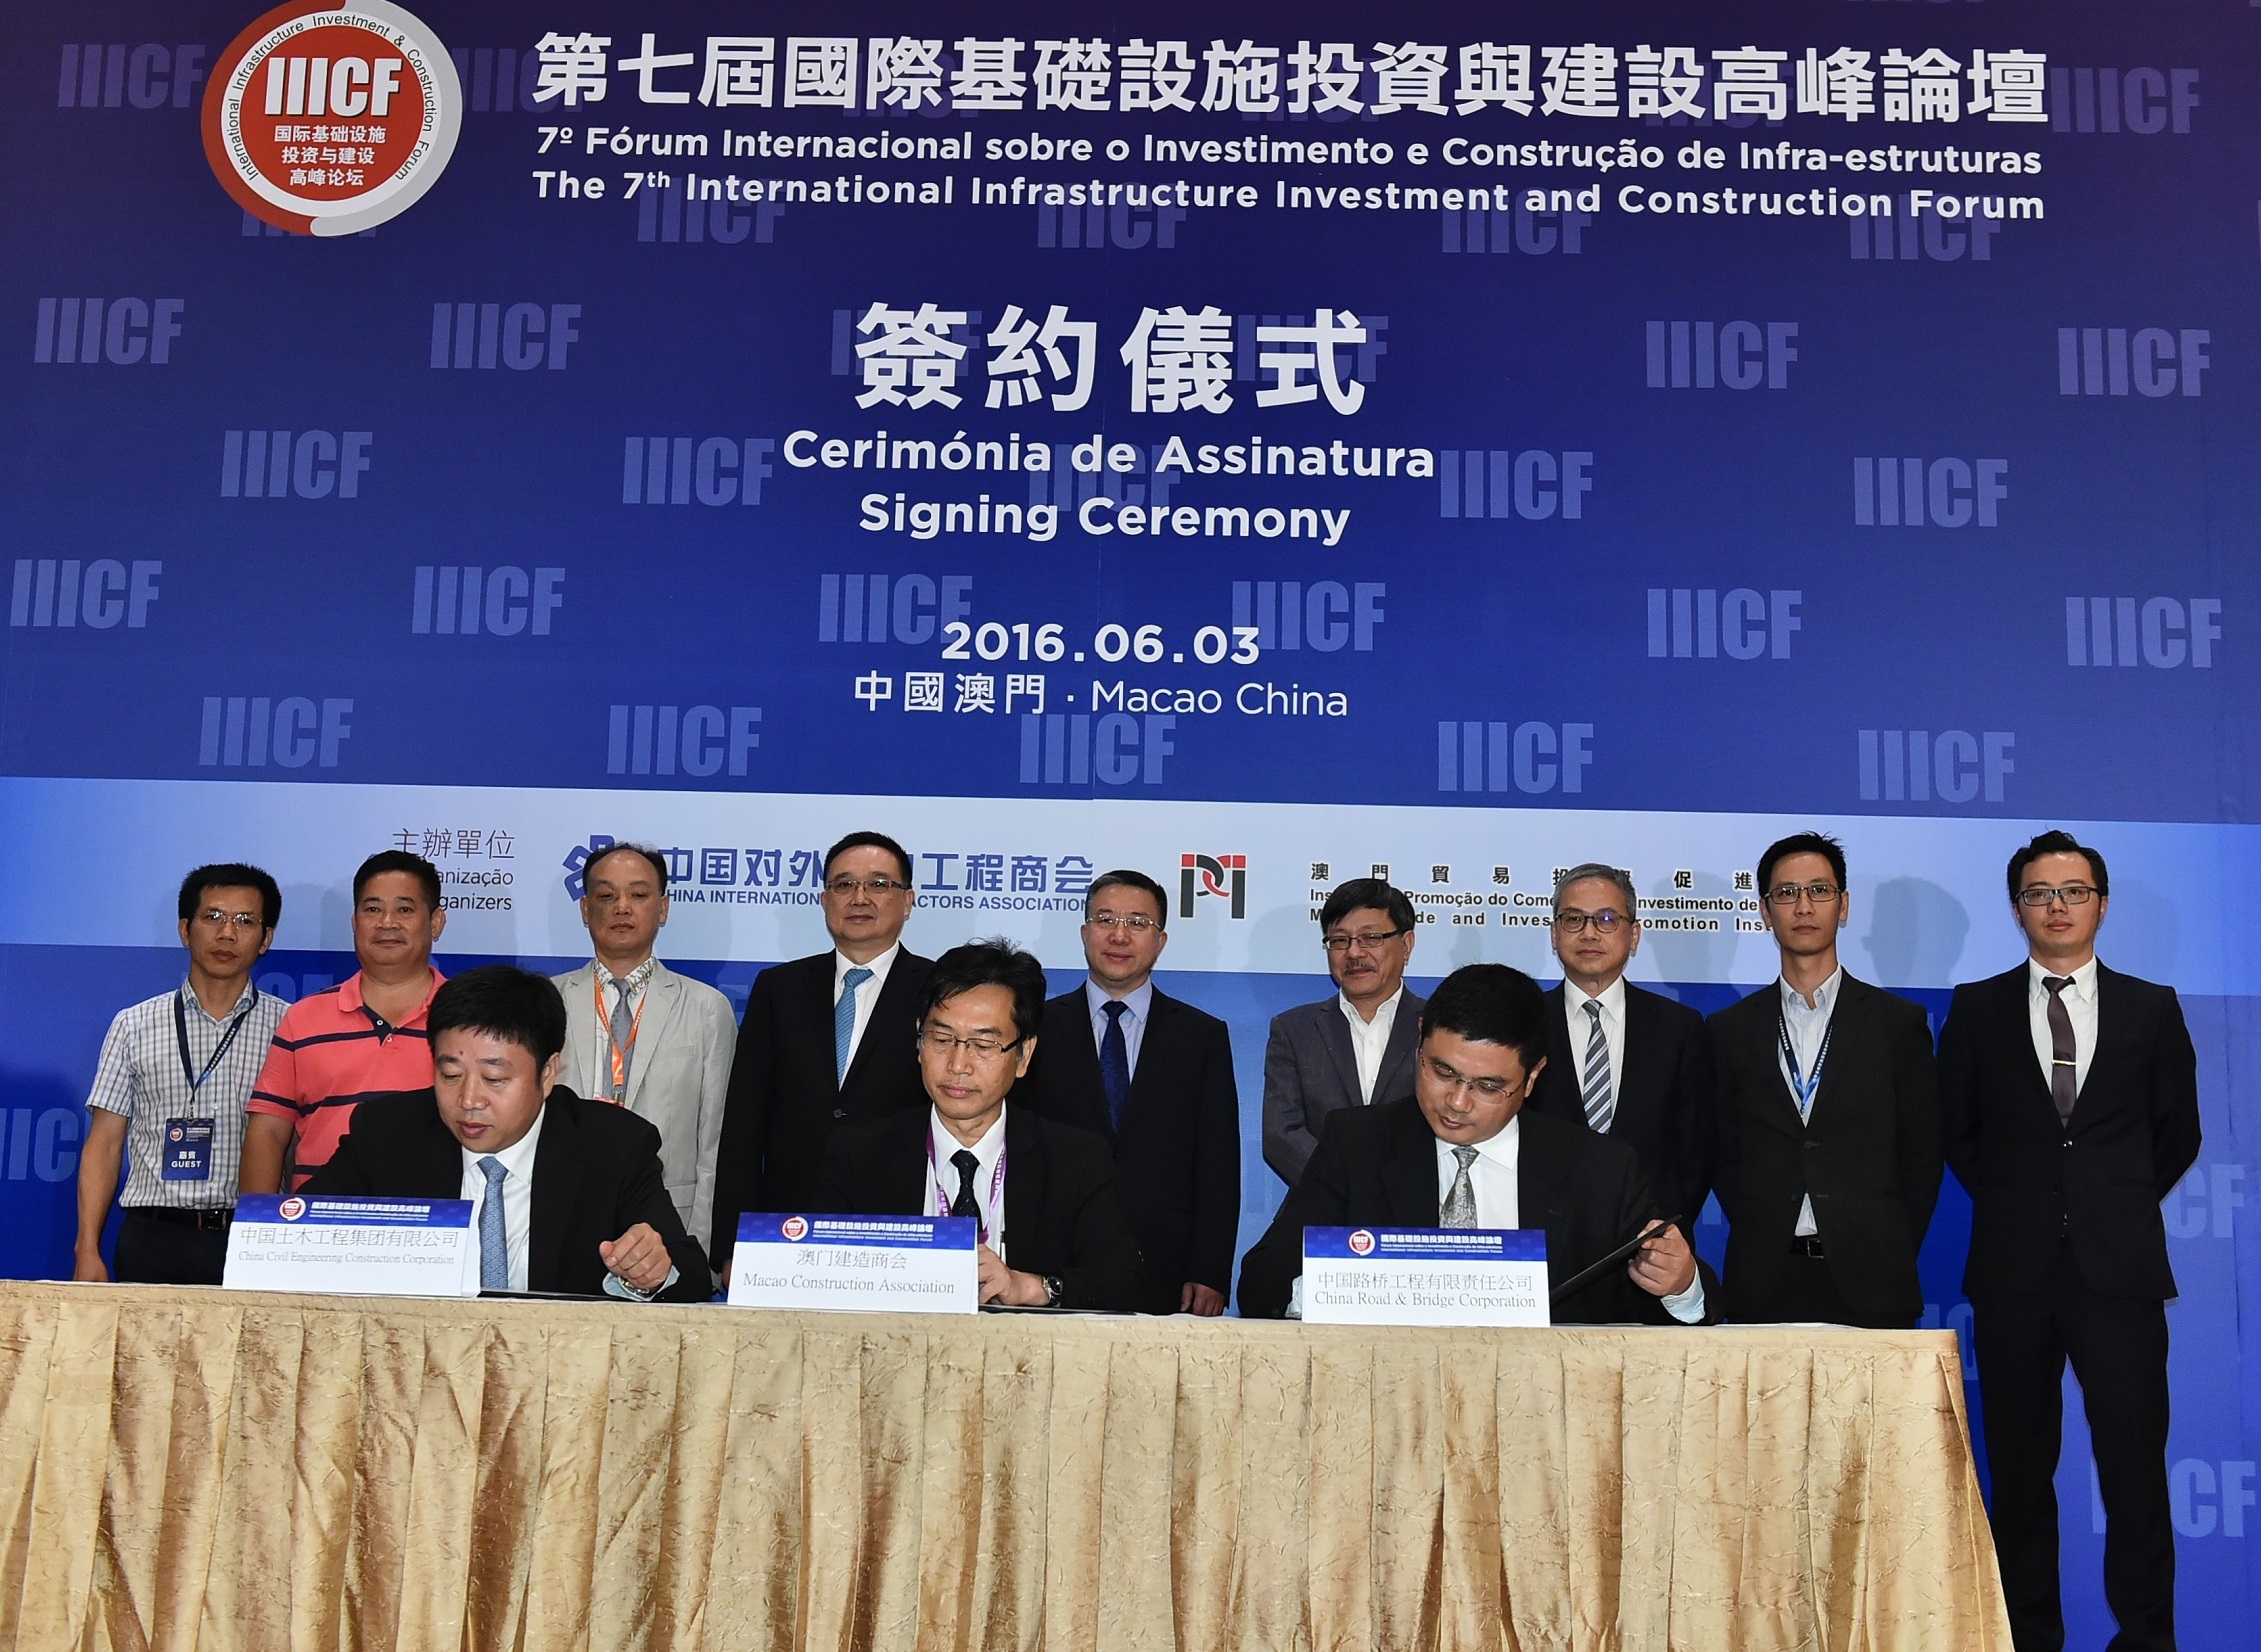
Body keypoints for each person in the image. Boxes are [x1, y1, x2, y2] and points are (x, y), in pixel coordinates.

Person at [1941, 831, 2199, 1652]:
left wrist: (2105, 1203)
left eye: (2072, 891)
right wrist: (2026, 1202)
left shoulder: (2150, 1007)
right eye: (2038, 893)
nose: (2056, 906)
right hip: (2013, 1276)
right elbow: (1959, 1132)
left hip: (2117, 1274)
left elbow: (2177, 1132)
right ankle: (2028, 1637)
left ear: (2101, 904)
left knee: (2133, 1473)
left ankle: (2146, 1638)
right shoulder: (1976, 1007)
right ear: (2016, 908)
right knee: (2019, 1475)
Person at [1238, 963, 1714, 1325]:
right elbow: (1262, 1282)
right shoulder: (1357, 1144)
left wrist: (1681, 1285)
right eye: (1442, 1071)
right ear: (1420, 1038)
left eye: (1488, 1086)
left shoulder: (1599, 1168)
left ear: (1533, 1076)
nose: (1457, 1102)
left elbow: (1674, 1310)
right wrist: (1346, 1289)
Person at [304, 965, 708, 1301]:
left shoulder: (613, 1147)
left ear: (547, 1073)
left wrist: (653, 1271)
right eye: (451, 1075)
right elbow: (299, 1235)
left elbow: (690, 1275)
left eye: (495, 1079)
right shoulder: (388, 1133)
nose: (469, 1100)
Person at [809, 939, 1145, 1311]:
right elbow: (819, 1275)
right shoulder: (857, 1154)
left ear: (1023, 1055)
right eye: (941, 1039)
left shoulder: (1075, 1160)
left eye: (983, 1046)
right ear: (919, 1041)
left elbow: (1121, 1282)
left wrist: (1031, 1288)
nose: (958, 1065)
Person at [1708, 832, 1942, 1327]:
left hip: (1874, 1281)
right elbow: (1722, 1154)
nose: (1803, 906)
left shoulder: (1896, 1024)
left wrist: (1888, 1244)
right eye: (1786, 893)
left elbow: (1921, 1156)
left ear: (1844, 905)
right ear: (1765, 911)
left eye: (1819, 890)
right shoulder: (1730, 1030)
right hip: (1765, 1280)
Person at [1016, 869, 1238, 1314]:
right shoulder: (1037, 1026)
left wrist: (1210, 1269)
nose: (1119, 935)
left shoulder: (1201, 1036)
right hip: (1052, 1259)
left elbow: (1218, 1163)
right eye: (1105, 920)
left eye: (1138, 923)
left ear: (1161, 941)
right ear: (1085, 933)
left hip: (1166, 1262)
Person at [708, 831, 931, 1267]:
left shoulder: (940, 990)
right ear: (825, 900)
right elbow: (743, 1127)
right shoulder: (779, 989)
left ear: (908, 901)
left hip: (903, 1222)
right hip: (788, 1224)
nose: (859, 897)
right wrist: (732, 1247)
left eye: (879, 884)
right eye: (844, 885)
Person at [72, 864, 290, 1285]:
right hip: (153, 1238)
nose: (227, 933)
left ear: (266, 939)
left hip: (250, 1238)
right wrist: (87, 1248)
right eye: (213, 917)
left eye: (245, 921)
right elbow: (104, 1144)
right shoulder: (133, 1025)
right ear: (185, 930)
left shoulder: (291, 1028)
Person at [553, 842, 735, 1245]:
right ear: (585, 910)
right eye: (606, 896)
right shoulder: (547, 1000)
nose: (622, 907)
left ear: (663, 908)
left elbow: (715, 1142)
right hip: (562, 1212)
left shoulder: (706, 1007)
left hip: (668, 1220)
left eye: (638, 895)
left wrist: (699, 1247)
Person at [242, 851, 446, 1192]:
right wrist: (256, 1219)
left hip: (434, 1216)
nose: (387, 923)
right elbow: (269, 1133)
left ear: (436, 922)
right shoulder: (303, 1019)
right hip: (319, 1216)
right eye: (372, 909)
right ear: (354, 922)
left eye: (404, 910)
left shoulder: (469, 1019)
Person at [1525, 863, 1716, 1224]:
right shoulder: (1523, 1024)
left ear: (1634, 936)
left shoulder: (1679, 1028)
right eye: (1573, 919)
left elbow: (1698, 1152)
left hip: (1649, 1238)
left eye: (1607, 919)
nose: (1589, 933)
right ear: (1554, 934)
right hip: (1544, 1237)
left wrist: (1662, 1230)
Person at [1261, 877, 1426, 1188]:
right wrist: (1347, 1189)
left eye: (1370, 938)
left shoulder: (1438, 1027)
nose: (1353, 953)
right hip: (1322, 1204)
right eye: (1339, 940)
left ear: (1406, 945)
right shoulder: (1294, 1029)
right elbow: (1281, 1135)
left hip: (1416, 1204)